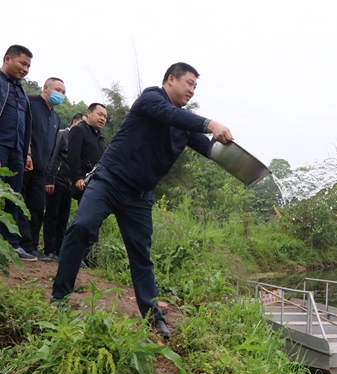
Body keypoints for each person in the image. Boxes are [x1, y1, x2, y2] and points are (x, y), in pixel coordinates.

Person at [51, 62, 234, 339]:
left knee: (141, 257)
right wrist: (211, 123)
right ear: (170, 80)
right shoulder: (151, 99)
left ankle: (153, 316)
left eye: (195, 87)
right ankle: (59, 298)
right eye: (189, 84)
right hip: (109, 181)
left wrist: (243, 161)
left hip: (139, 197)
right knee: (82, 227)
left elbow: (210, 149)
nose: (192, 91)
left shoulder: (184, 124)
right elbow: (170, 115)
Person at [17, 77, 66, 261]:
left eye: (63, 92)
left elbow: (53, 147)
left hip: (41, 170)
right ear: (46, 88)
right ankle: (18, 244)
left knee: (37, 207)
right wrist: (26, 153)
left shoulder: (56, 117)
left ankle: (31, 246)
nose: (60, 94)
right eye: (58, 89)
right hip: (24, 163)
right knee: (19, 204)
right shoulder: (30, 103)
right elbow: (23, 130)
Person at [0, 45, 35, 261]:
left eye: (29, 66)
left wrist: (27, 153)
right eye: (23, 63)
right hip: (0, 146)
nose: (26, 69)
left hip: (17, 151)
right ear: (7, 58)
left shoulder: (22, 91)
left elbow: (26, 125)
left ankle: (12, 244)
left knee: (13, 197)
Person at [42, 112, 86, 260]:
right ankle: (48, 249)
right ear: (75, 121)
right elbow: (53, 155)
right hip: (57, 180)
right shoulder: (62, 134)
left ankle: (59, 250)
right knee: (52, 215)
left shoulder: (80, 140)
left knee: (63, 218)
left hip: (69, 184)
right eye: (82, 124)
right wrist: (50, 179)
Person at [67, 103, 107, 203]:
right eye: (100, 114)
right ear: (89, 113)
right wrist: (77, 177)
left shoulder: (100, 137)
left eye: (105, 117)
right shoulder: (78, 130)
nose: (102, 118)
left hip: (99, 183)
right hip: (84, 182)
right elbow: (73, 155)